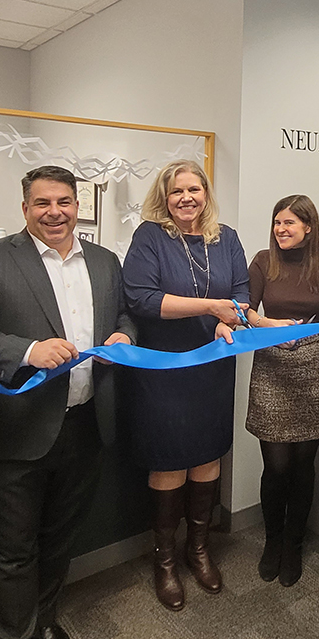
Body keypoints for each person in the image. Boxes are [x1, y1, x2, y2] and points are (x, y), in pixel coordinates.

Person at [0, 165, 135, 639]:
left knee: (58, 539)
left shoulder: (103, 260)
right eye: (42, 203)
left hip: (84, 423)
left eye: (64, 202)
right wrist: (28, 349)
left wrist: (126, 335)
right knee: (11, 550)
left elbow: (122, 313)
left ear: (78, 206)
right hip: (15, 429)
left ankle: (44, 622)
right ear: (25, 208)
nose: (55, 212)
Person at [120, 160, 249, 611]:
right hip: (166, 368)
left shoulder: (227, 237)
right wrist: (213, 305)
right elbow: (142, 298)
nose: (186, 198)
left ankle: (199, 549)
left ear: (206, 193)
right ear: (165, 196)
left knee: (208, 456)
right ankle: (166, 560)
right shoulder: (151, 237)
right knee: (170, 460)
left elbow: (242, 292)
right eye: (177, 192)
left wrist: (227, 316)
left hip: (213, 366)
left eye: (194, 189)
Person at [244, 194, 319, 587]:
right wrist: (271, 325)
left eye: (289, 223)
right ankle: (272, 540)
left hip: (314, 368)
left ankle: (293, 544)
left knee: (304, 465)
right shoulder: (262, 262)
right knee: (277, 466)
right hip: (271, 365)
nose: (281, 230)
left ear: (308, 227)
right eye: (277, 222)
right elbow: (244, 312)